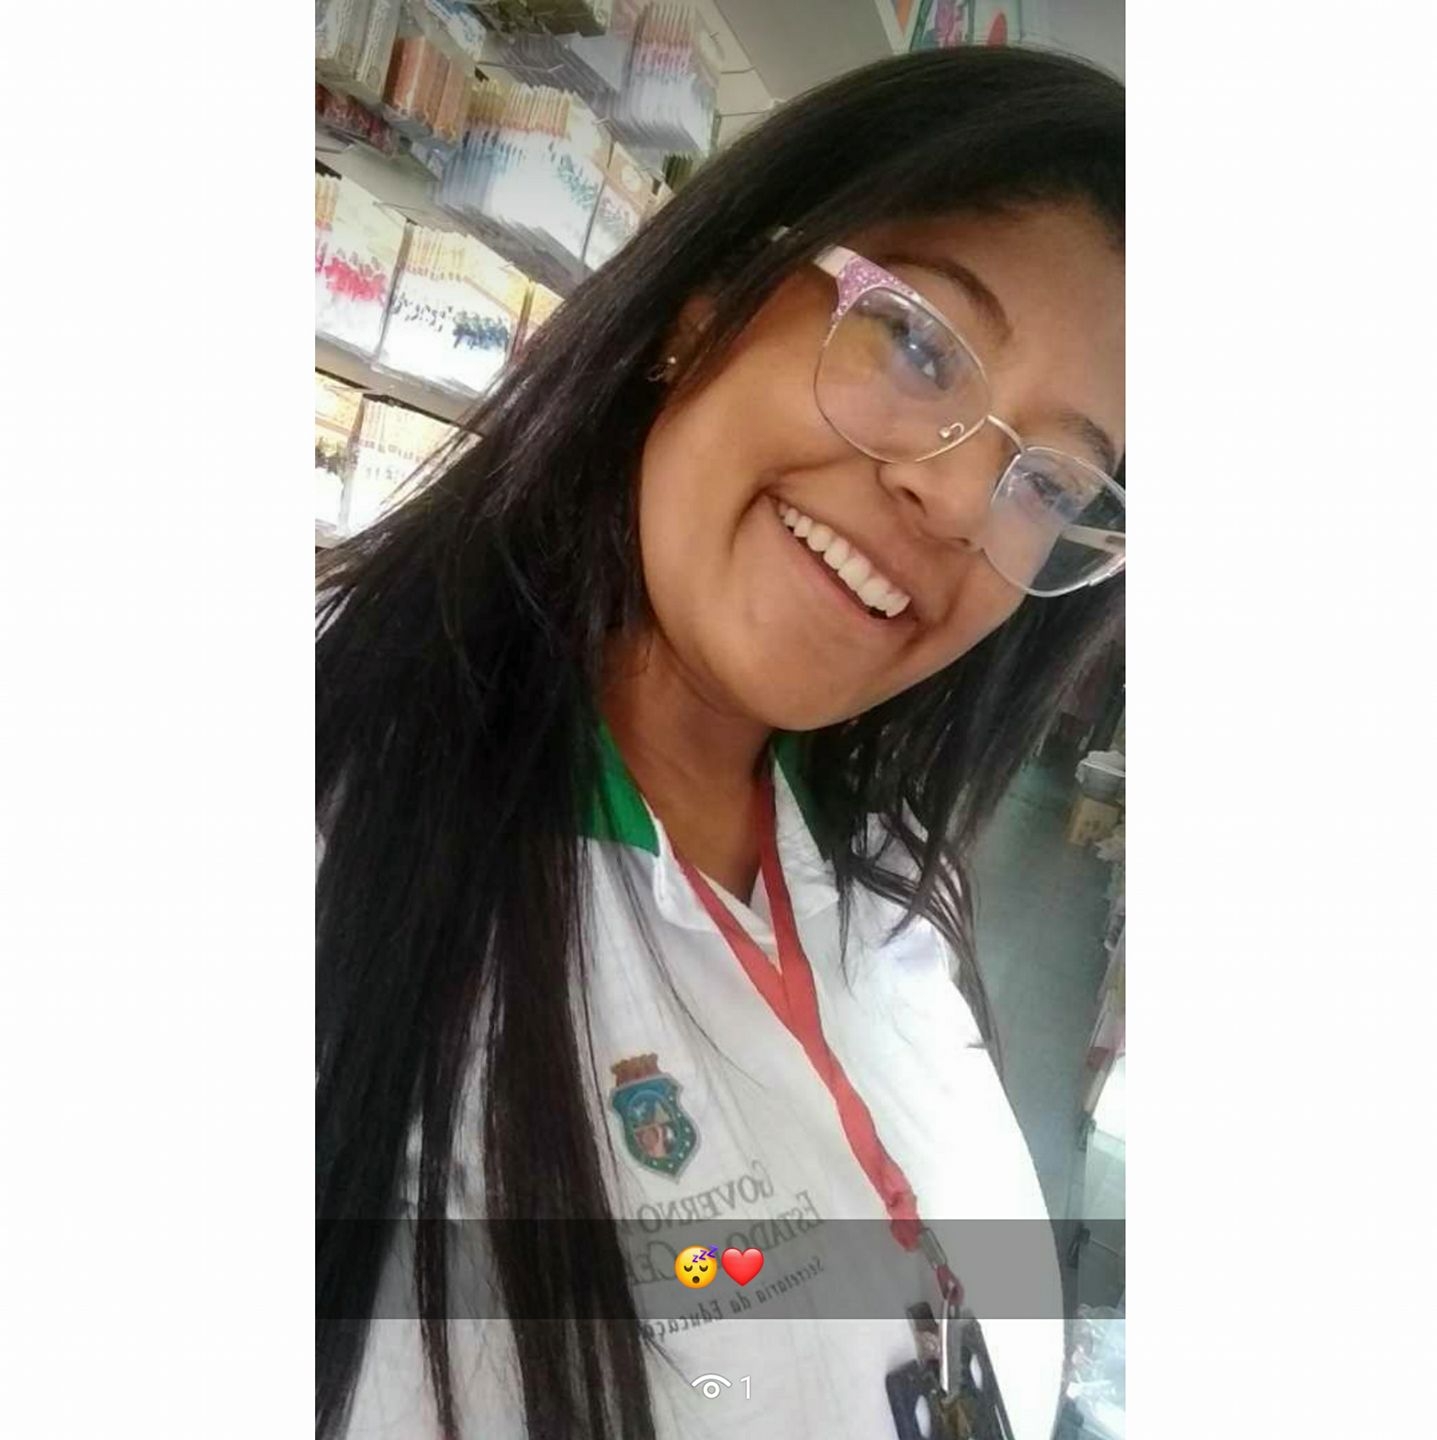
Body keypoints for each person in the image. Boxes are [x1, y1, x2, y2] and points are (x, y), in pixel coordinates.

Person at [317, 44, 1124, 1440]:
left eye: (1049, 481)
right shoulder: (336, 829)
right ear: (706, 307)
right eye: (918, 342)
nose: (959, 503)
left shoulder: (880, 866)